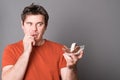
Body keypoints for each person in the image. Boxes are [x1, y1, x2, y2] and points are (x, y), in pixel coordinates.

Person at [1, 3, 83, 80]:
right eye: (29, 24)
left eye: (39, 24)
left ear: (46, 26)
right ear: (22, 25)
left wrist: (71, 67)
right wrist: (26, 52)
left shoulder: (60, 49)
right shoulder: (11, 49)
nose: (34, 29)